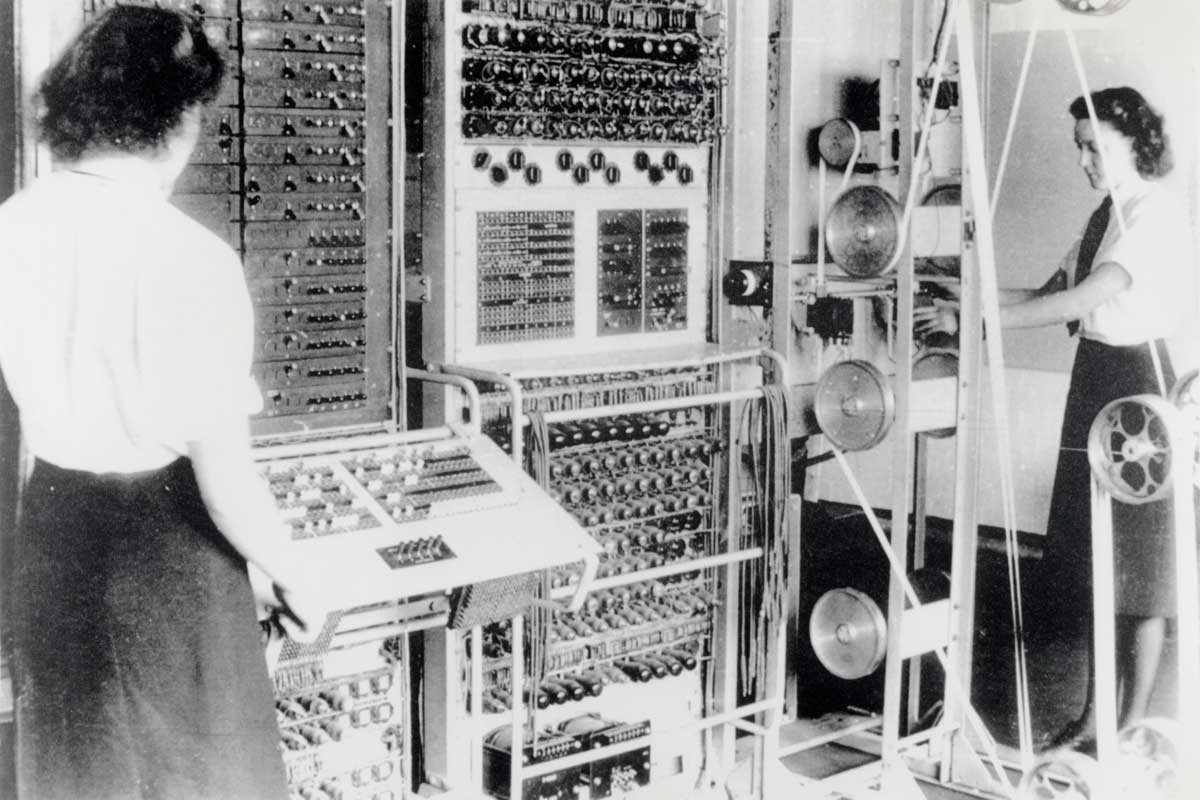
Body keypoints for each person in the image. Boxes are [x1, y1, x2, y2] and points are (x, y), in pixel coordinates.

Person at [0, 8, 328, 798]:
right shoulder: (191, 260)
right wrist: (291, 574)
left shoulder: (9, 230)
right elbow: (226, 483)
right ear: (180, 118)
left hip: (52, 537)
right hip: (170, 560)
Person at [916, 87, 1190, 752]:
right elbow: (1045, 296)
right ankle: (1096, 716)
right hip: (1093, 378)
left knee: (1139, 562)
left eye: (1094, 148)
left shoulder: (1155, 215)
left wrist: (972, 322)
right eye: (1079, 148)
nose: (1085, 161)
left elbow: (1088, 296)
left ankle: (1128, 724)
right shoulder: (1106, 212)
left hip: (1137, 389)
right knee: (1096, 553)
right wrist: (960, 293)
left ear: (1133, 141)